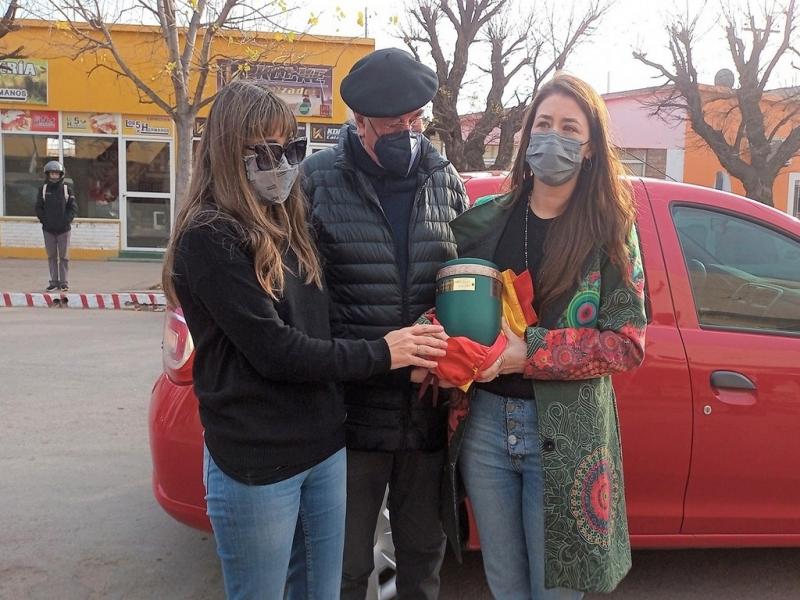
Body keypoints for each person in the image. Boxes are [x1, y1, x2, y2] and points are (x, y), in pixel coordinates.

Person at [161, 79, 448, 600]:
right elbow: (277, 350)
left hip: (323, 444)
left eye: (292, 150)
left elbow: (325, 320)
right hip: (259, 460)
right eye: (267, 152)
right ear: (229, 151)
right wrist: (387, 352)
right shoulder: (210, 237)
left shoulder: (288, 220)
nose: (283, 166)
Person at [439, 73, 648, 598]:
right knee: (506, 585)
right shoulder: (484, 222)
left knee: (556, 590)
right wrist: (435, 343)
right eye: (544, 124)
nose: (553, 137)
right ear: (527, 135)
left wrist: (525, 354)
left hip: (568, 436)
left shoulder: (610, 229)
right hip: (485, 429)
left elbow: (626, 342)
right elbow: (445, 309)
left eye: (569, 128)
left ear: (590, 148)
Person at [301, 48, 468, 600]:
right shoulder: (317, 181)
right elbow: (299, 298)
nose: (409, 131)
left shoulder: (445, 180)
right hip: (349, 419)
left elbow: (462, 280)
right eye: (395, 122)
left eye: (417, 119)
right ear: (360, 121)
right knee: (344, 565)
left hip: (424, 416)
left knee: (422, 557)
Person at [35, 161, 77, 291]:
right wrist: (45, 221)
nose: (54, 176)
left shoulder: (67, 190)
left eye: (56, 174)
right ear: (47, 175)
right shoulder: (43, 190)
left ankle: (64, 282)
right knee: (51, 256)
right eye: (52, 173)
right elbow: (38, 208)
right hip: (48, 230)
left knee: (64, 257)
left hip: (64, 230)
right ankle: (53, 282)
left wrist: (66, 221)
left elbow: (73, 208)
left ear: (61, 175)